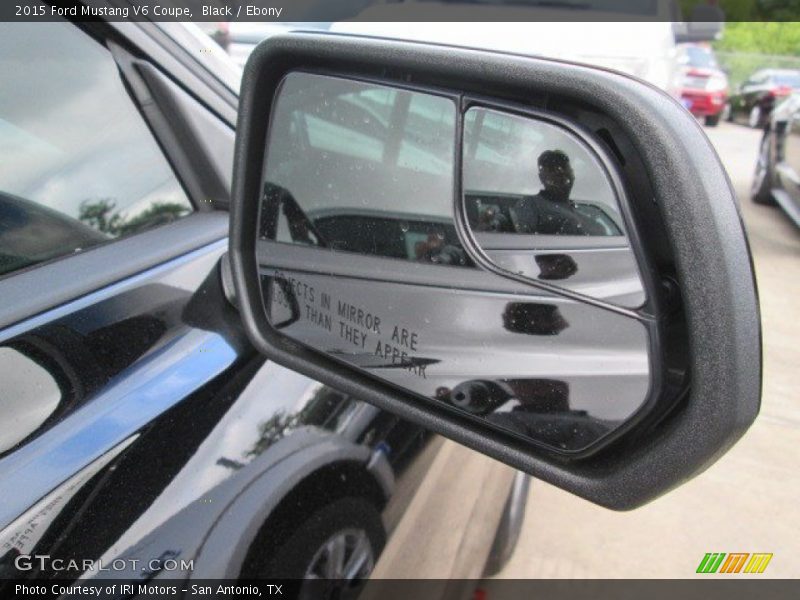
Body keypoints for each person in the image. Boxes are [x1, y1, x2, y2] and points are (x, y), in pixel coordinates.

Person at [510, 149, 607, 236]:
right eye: (552, 169)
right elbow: (526, 242)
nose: (560, 172)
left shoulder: (588, 216)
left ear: (573, 174)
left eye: (564, 167)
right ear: (541, 177)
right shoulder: (530, 204)